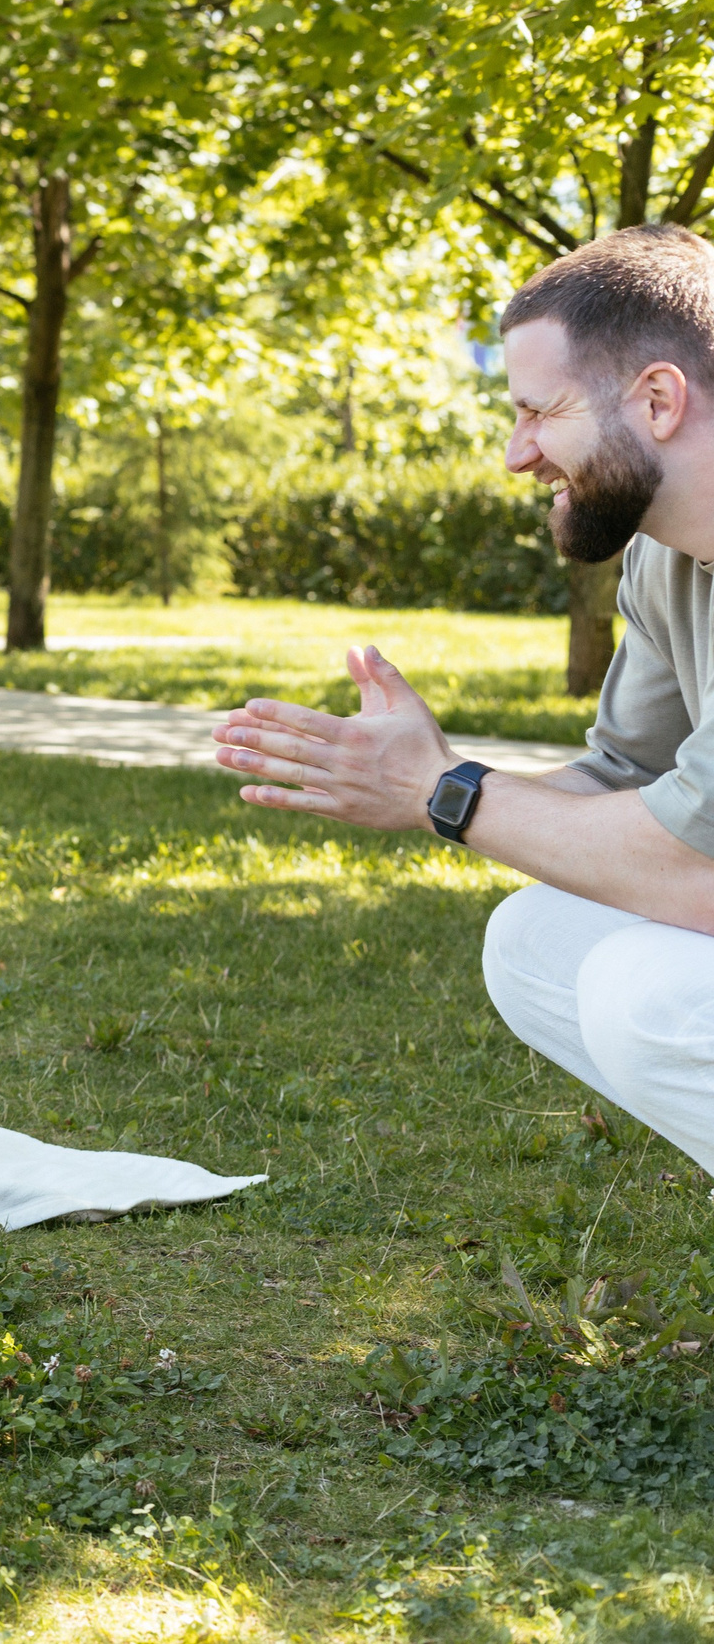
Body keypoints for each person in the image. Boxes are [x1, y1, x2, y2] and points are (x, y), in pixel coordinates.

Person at [208, 224, 714, 1174]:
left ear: (657, 399)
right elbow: (627, 775)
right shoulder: (666, 555)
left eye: (539, 412)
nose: (518, 456)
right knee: (535, 938)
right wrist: (396, 778)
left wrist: (450, 793)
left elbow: (697, 873)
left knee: (647, 1000)